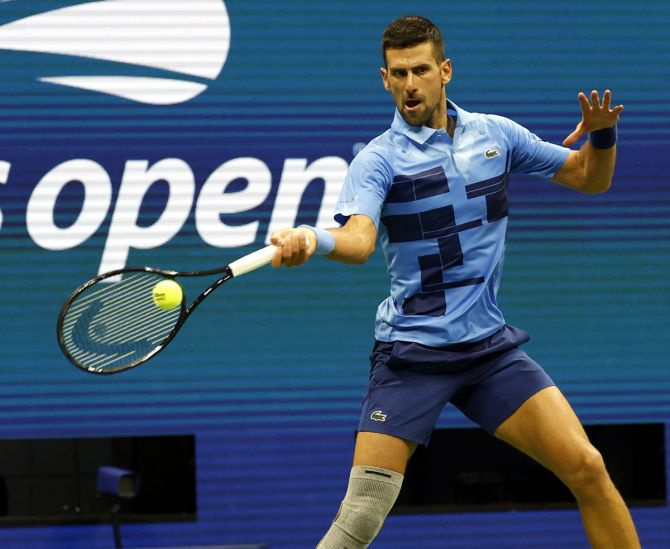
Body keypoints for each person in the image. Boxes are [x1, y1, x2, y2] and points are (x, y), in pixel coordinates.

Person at [270, 15, 639, 549]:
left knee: (588, 467)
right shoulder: (378, 160)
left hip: (489, 352)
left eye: (420, 70)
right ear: (384, 79)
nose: (409, 84)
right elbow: (359, 240)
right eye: (397, 74)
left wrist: (603, 134)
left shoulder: (497, 135)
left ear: (445, 71)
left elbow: (589, 177)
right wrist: (314, 238)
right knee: (360, 519)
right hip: (412, 357)